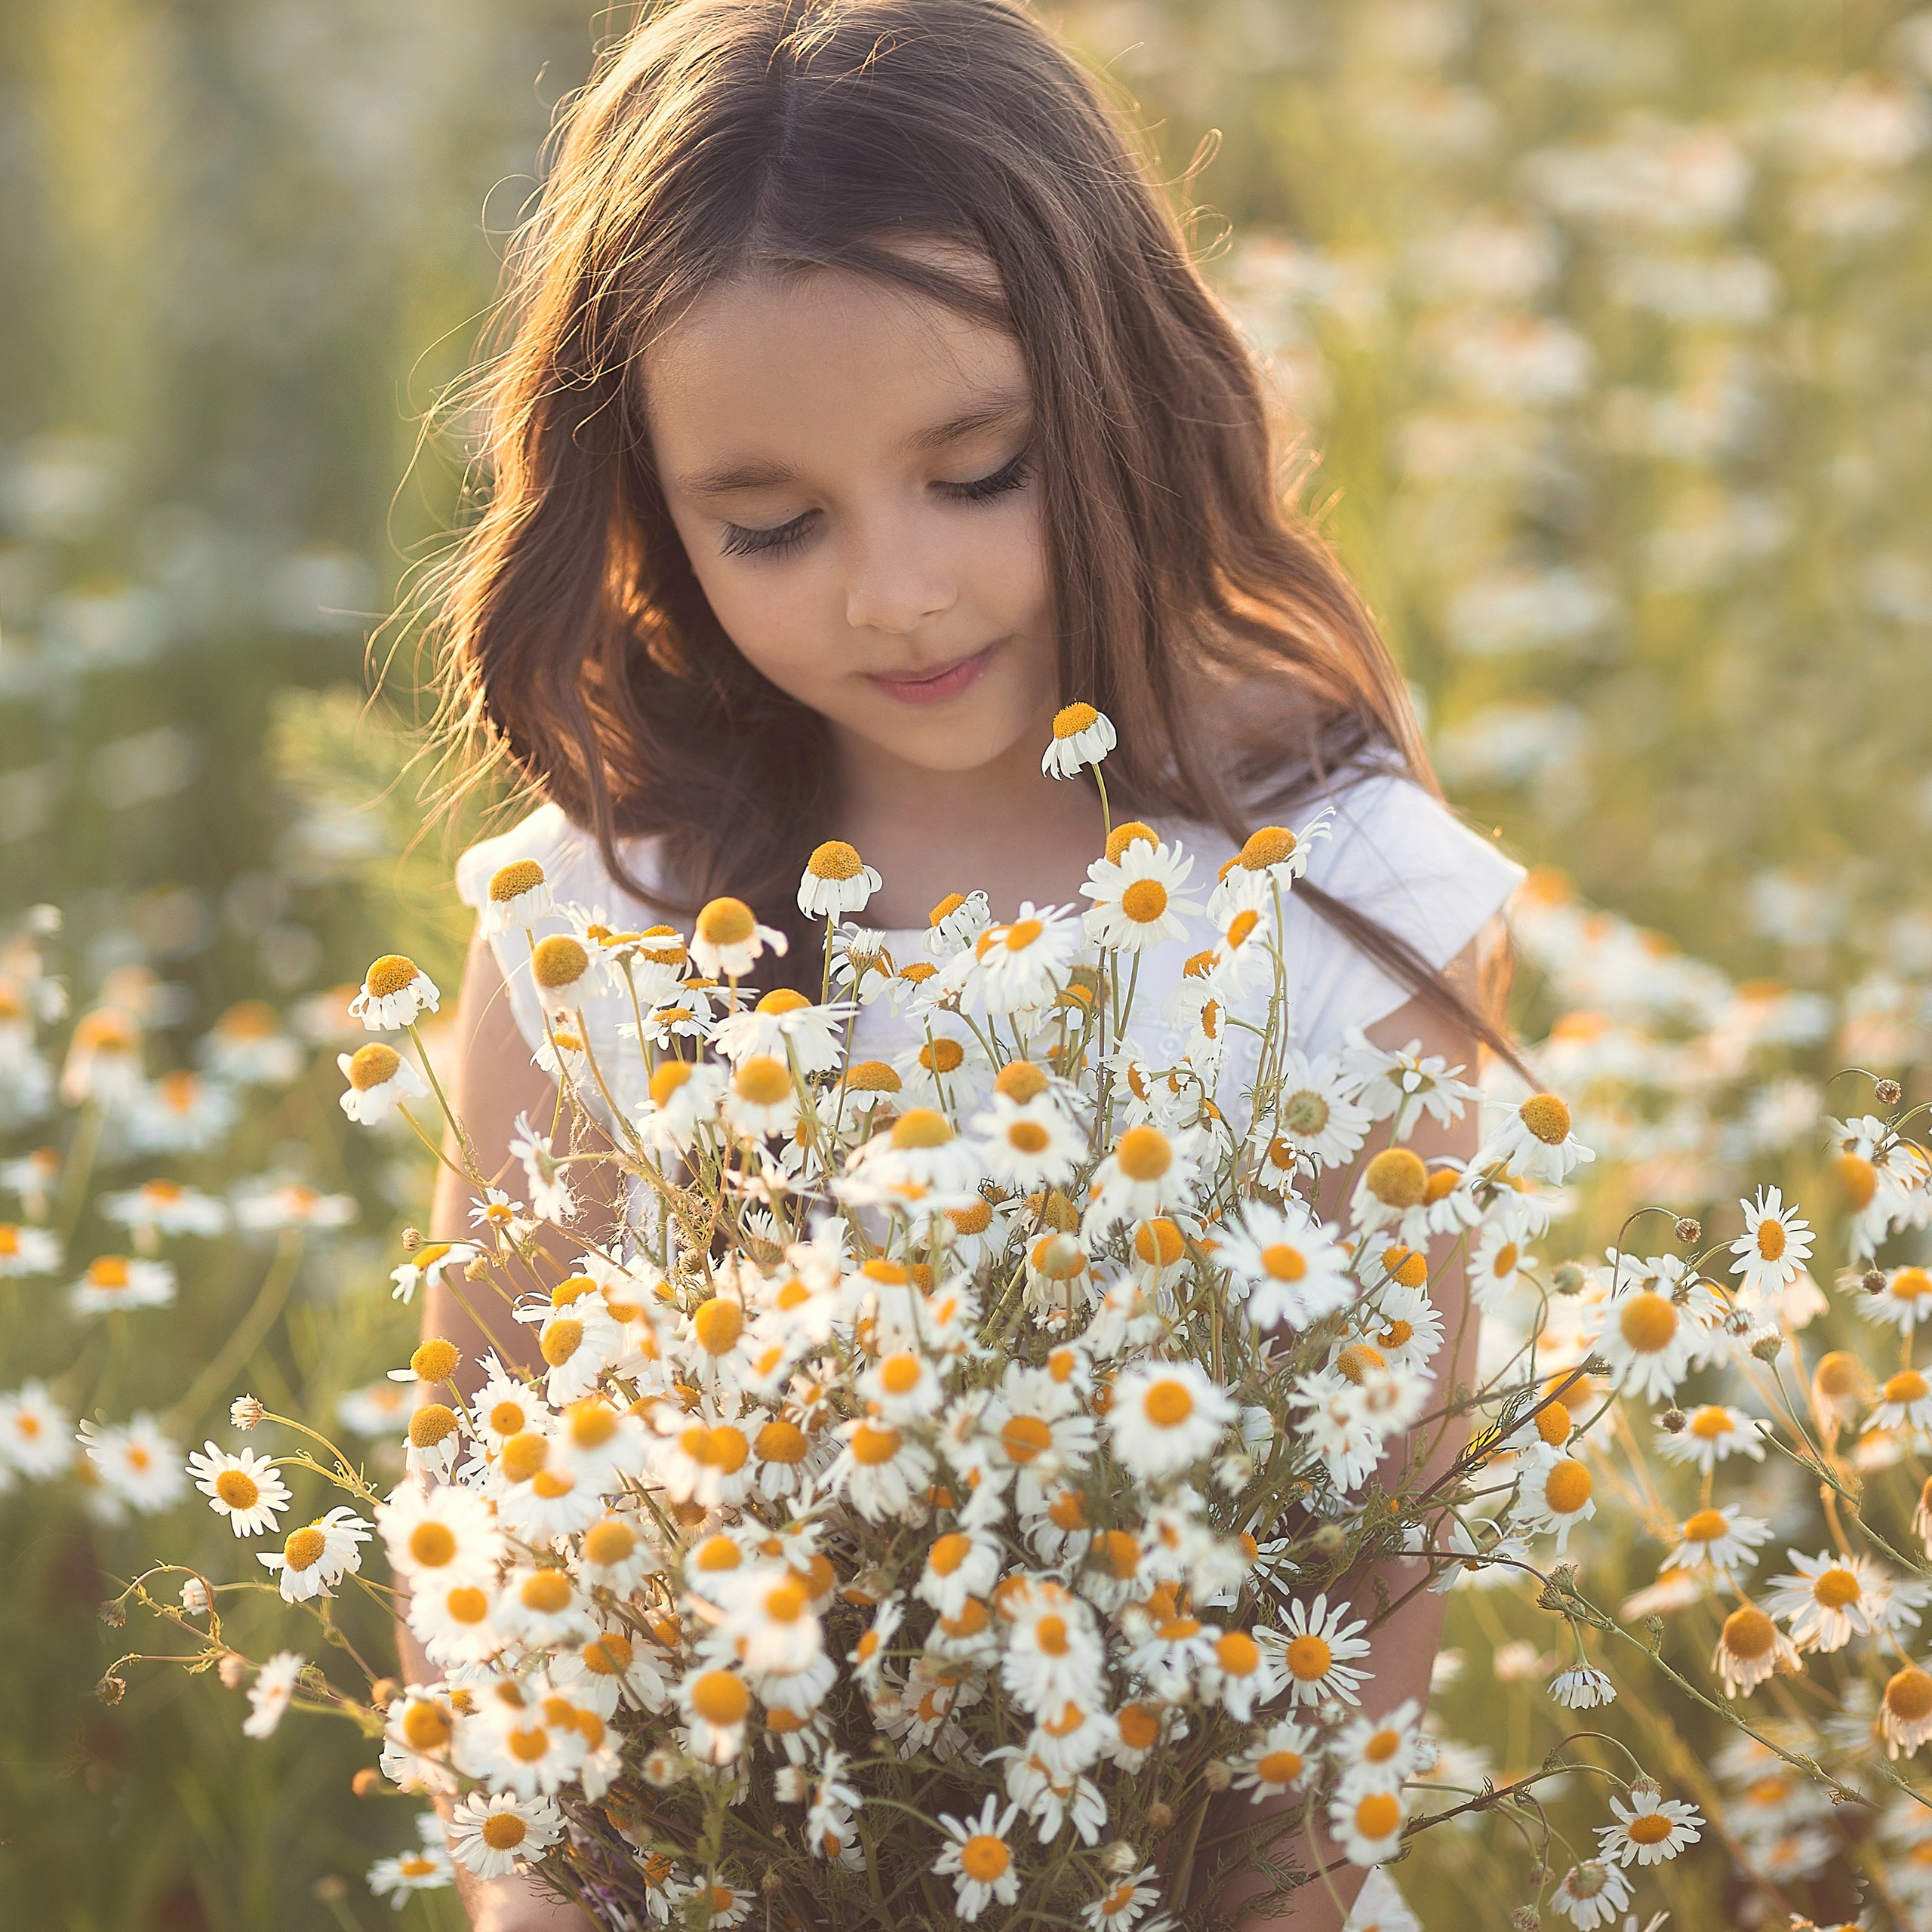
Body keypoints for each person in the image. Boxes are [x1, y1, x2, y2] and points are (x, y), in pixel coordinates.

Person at [406, 1, 1525, 1924]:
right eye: (770, 522)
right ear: (651, 514)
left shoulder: (1339, 900)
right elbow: (490, 1520)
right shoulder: (605, 920)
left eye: (976, 471)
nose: (894, 589)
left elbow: (1370, 1584)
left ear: (1120, 394)